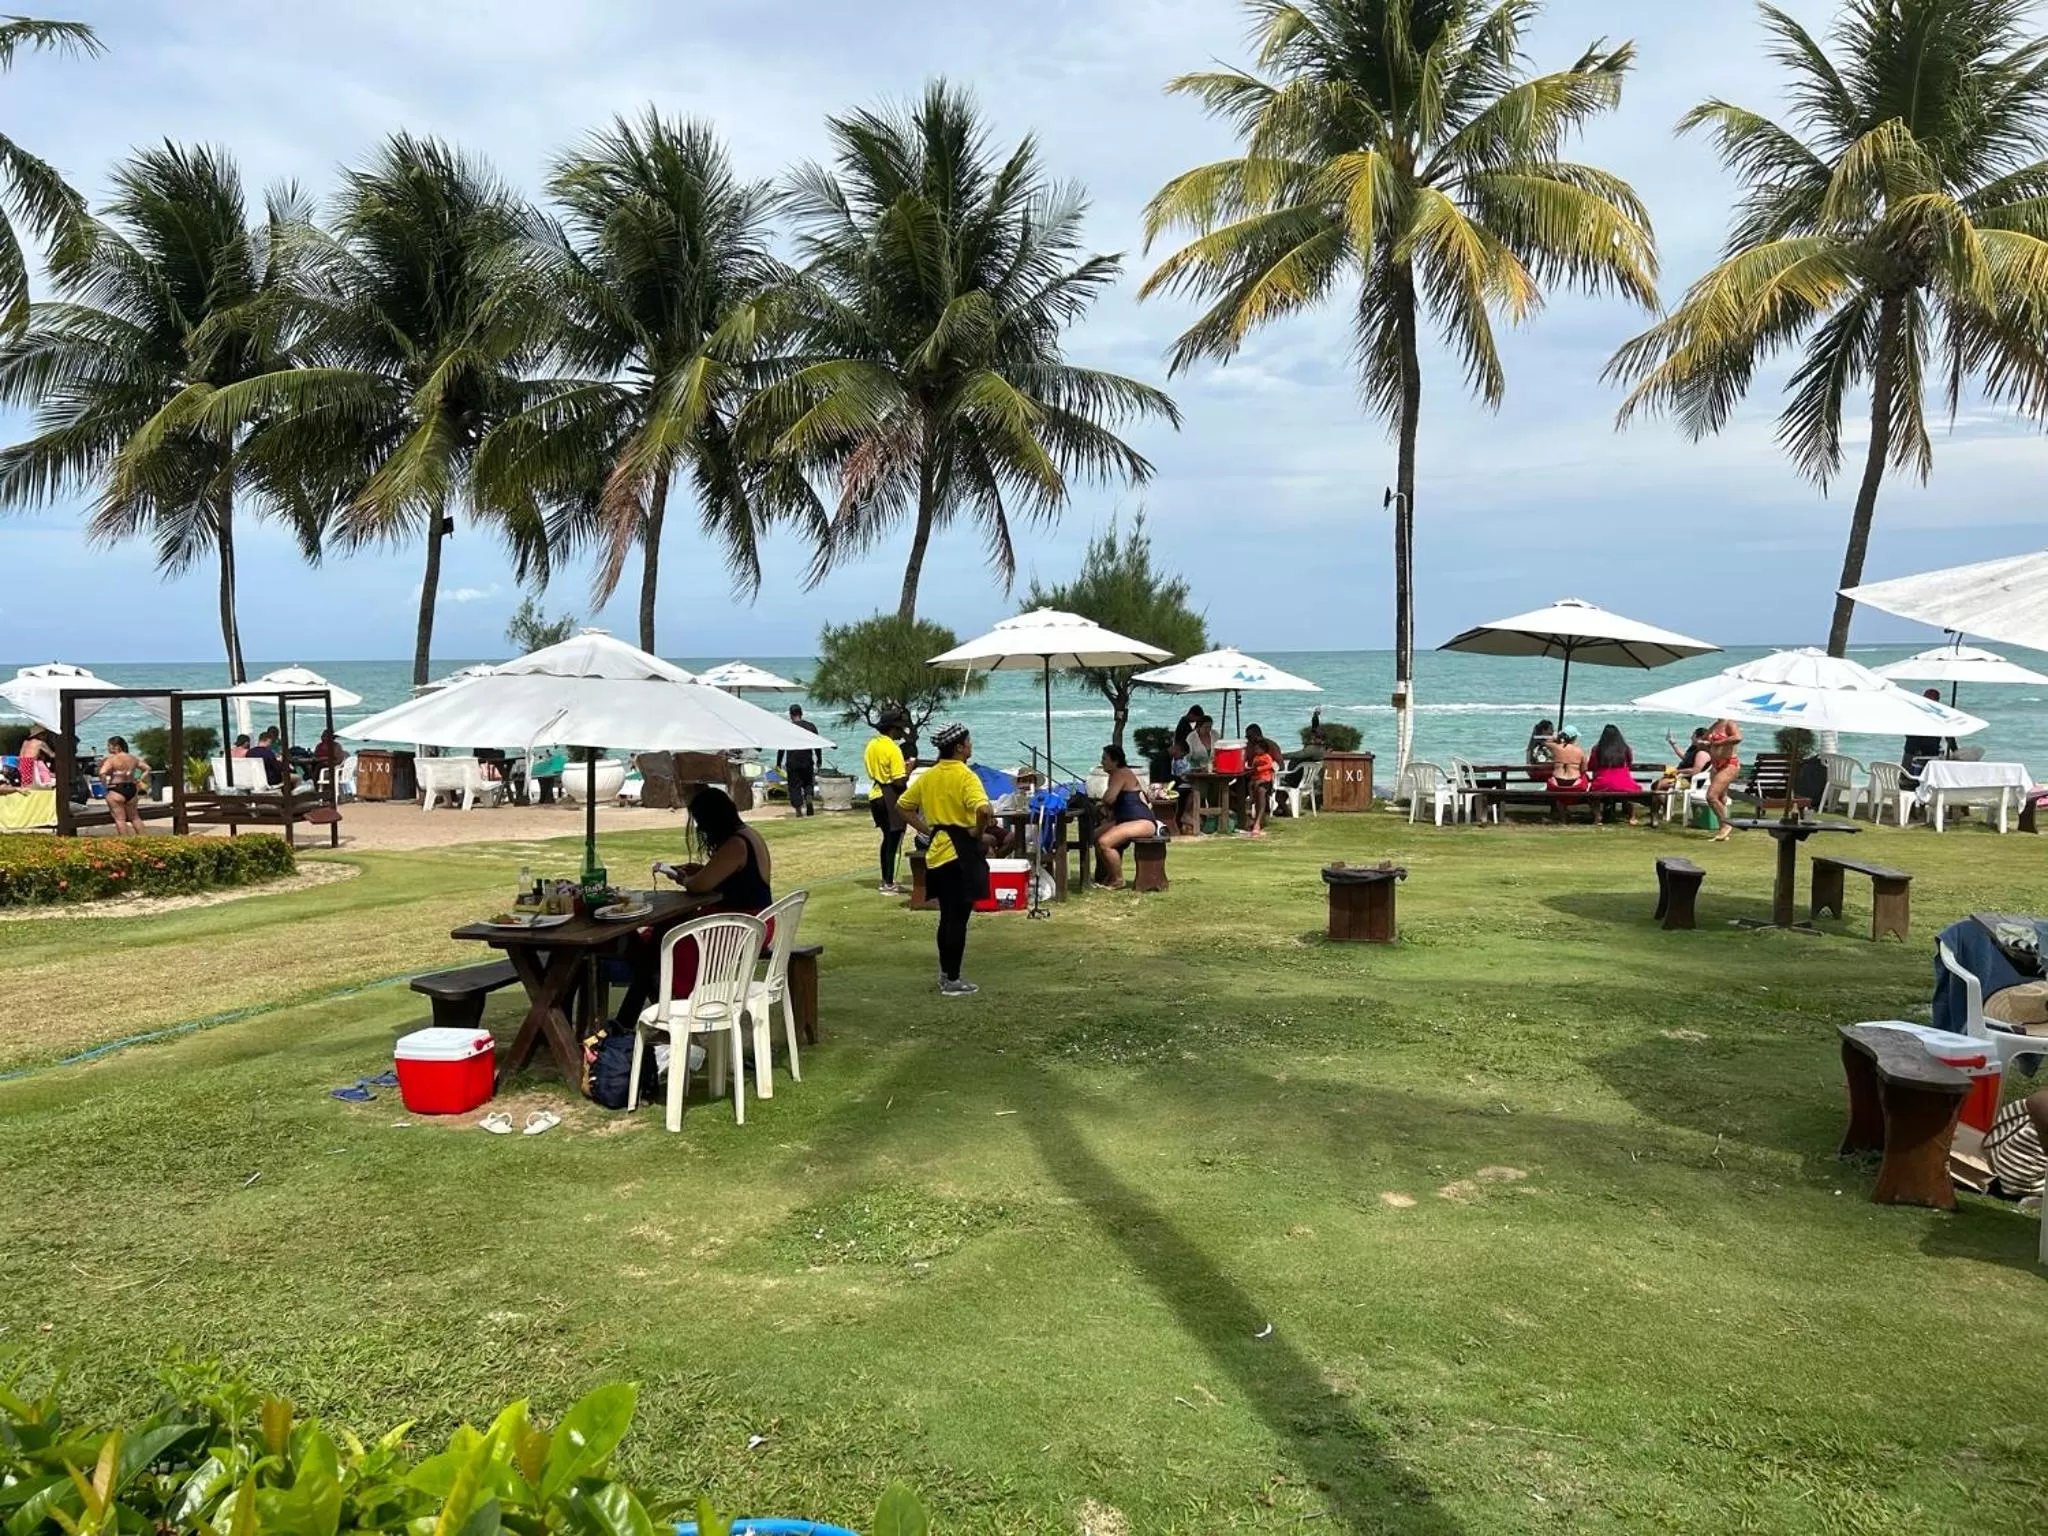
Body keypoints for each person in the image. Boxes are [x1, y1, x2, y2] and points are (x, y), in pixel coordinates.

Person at [618, 787, 774, 1027]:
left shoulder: (736, 844)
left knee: (670, 943)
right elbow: (727, 876)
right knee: (660, 938)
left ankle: (677, 1007)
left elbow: (699, 887)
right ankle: (649, 1009)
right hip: (753, 920)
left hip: (741, 925)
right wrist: (701, 871)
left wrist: (682, 877)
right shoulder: (748, 835)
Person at [897, 722, 992, 997]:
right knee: (958, 918)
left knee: (946, 916)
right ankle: (953, 979)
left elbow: (903, 806)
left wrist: (927, 829)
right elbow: (984, 809)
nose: (971, 746)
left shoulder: (929, 775)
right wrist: (977, 831)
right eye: (969, 742)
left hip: (937, 852)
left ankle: (944, 973)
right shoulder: (965, 776)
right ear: (960, 747)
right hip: (960, 852)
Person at [1093, 744, 1158, 887]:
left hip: (1141, 821)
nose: (1101, 762)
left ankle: (1118, 880)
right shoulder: (1115, 775)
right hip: (1125, 820)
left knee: (1105, 842)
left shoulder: (1121, 773)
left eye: (1105, 759)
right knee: (1094, 836)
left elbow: (1109, 798)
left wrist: (1101, 803)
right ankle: (1107, 875)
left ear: (1115, 761)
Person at [864, 709, 910, 894]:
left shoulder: (871, 745)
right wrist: (909, 770)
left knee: (887, 839)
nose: (901, 734)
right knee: (895, 839)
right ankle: (889, 883)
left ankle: (886, 879)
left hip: (875, 795)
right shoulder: (893, 749)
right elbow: (899, 782)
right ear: (892, 729)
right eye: (900, 729)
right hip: (890, 795)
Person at [1586, 723, 1641, 823]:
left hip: (1603, 782)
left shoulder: (1597, 749)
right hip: (1624, 781)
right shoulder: (1625, 748)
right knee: (1629, 793)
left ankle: (1598, 815)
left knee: (1591, 795)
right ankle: (1632, 817)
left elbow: (1591, 765)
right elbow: (1629, 764)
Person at [1902, 690, 1959, 782]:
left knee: (1920, 777)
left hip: (1928, 752)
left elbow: (1949, 736)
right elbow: (1948, 736)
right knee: (1912, 777)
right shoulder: (1921, 713)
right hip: (1916, 752)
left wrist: (1955, 751)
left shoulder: (1935, 714)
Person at [97, 735, 149, 836]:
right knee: (134, 817)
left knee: (120, 819)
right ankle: (146, 841)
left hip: (116, 788)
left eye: (109, 746)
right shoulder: (132, 758)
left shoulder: (112, 759)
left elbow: (102, 773)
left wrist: (105, 785)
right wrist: (140, 779)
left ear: (116, 746)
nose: (108, 748)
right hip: (131, 789)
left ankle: (125, 843)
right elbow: (147, 768)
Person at [1704, 717, 1744, 841]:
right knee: (1721, 798)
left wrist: (1719, 743)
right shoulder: (1715, 724)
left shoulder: (1730, 723)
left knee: (1711, 796)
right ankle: (1723, 829)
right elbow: (1706, 739)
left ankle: (1726, 824)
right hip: (1716, 764)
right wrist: (1703, 743)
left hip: (1729, 764)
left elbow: (1738, 738)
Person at [780, 704, 821, 817]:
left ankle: (798, 810)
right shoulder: (811, 726)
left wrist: (778, 762)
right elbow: (818, 744)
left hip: (793, 762)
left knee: (794, 786)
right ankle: (808, 796)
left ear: (790, 715)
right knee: (808, 782)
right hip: (807, 760)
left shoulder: (787, 728)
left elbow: (781, 747)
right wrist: (819, 759)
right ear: (801, 713)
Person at [1244, 724, 1281, 837]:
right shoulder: (1249, 748)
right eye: (1247, 737)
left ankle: (1257, 822)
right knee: (1236, 790)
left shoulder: (1270, 746)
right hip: (1251, 776)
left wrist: (1265, 768)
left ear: (1257, 735)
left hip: (1266, 778)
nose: (1248, 740)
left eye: (1249, 737)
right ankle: (1246, 818)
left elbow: (1280, 765)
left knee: (1260, 791)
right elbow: (1245, 763)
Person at [1546, 726, 1587, 791]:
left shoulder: (1556, 748)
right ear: (1575, 738)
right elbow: (1584, 769)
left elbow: (1547, 742)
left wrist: (1558, 737)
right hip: (1574, 780)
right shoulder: (1580, 751)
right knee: (1584, 777)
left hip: (1558, 780)